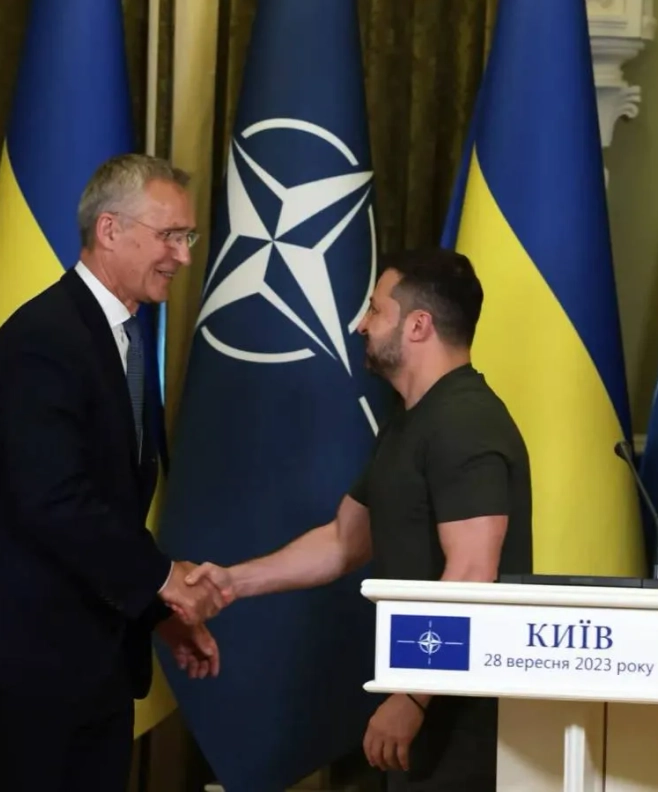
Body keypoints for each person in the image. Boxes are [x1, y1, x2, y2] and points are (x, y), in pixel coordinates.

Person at [186, 247, 533, 791]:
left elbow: (472, 571)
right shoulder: (410, 422)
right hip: (425, 706)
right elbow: (343, 541)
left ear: (418, 325)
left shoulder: (467, 421)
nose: (360, 324)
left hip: (462, 720)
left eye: (375, 309)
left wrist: (412, 695)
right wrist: (231, 582)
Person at [0, 154, 227, 791]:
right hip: (28, 670)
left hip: (93, 668)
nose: (184, 256)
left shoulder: (122, 338)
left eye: (187, 237)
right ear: (109, 229)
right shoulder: (43, 339)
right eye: (170, 235)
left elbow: (109, 502)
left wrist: (157, 611)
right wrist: (162, 579)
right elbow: (54, 499)